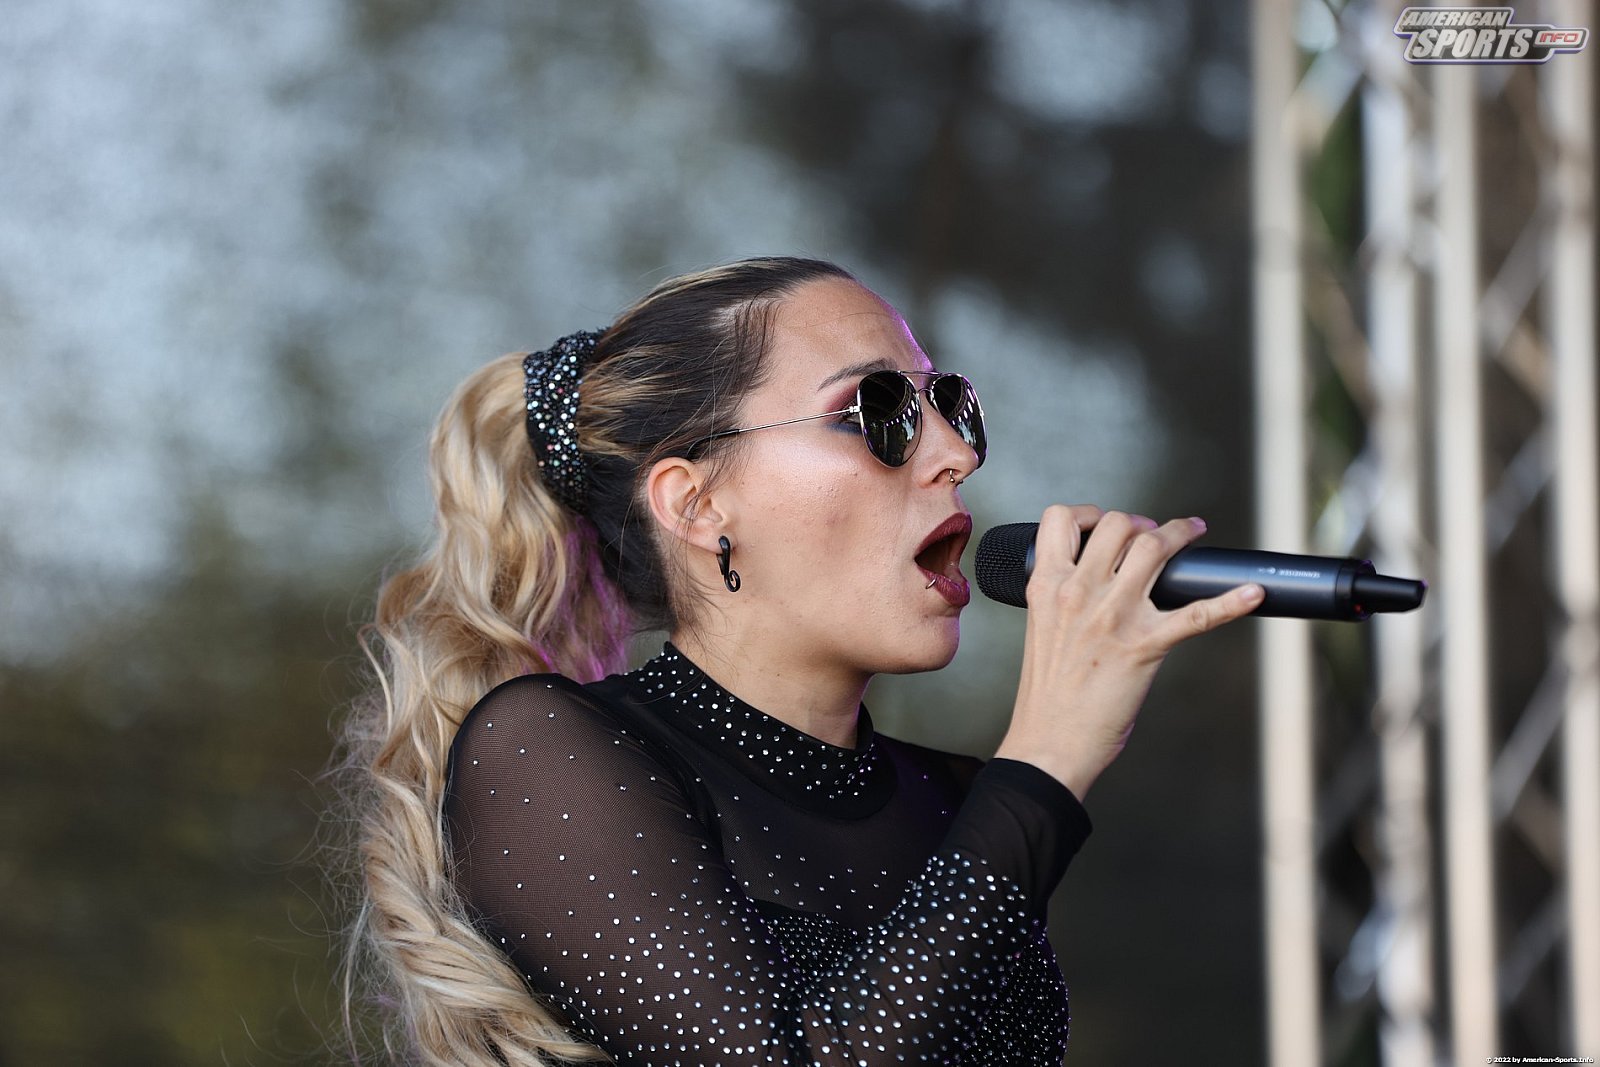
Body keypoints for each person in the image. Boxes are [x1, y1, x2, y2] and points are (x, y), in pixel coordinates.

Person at [340, 256, 1263, 1066]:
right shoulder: (545, 750)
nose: (954, 454)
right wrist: (1049, 755)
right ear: (696, 504)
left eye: (950, 405)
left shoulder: (961, 801)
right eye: (875, 411)